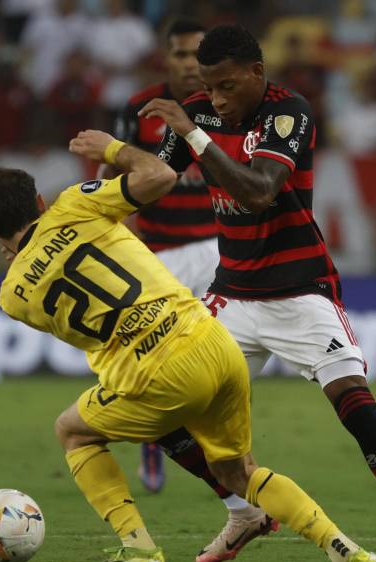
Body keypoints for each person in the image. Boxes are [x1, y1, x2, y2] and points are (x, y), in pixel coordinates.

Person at [0, 129, 376, 562]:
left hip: (156, 375)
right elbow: (159, 174)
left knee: (73, 430)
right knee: (239, 472)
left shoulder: (12, 296)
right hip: (215, 344)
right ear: (40, 202)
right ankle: (343, 546)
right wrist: (113, 149)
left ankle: (139, 550)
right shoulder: (75, 204)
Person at [139, 24, 376, 562]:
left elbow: (259, 191)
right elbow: (159, 179)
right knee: (158, 411)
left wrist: (194, 134)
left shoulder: (290, 113)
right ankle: (242, 513)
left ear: (257, 74)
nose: (216, 98)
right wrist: (114, 161)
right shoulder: (199, 111)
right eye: (209, 88)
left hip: (301, 292)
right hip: (232, 297)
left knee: (358, 411)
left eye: (226, 86)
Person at [104, 18, 220, 495]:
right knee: (153, 357)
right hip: (159, 254)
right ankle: (156, 437)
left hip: (218, 251)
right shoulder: (139, 108)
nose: (190, 64)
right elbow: (109, 175)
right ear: (166, 57)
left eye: (198, 55)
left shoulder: (224, 104)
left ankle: (213, 445)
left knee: (216, 360)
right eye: (180, 54)